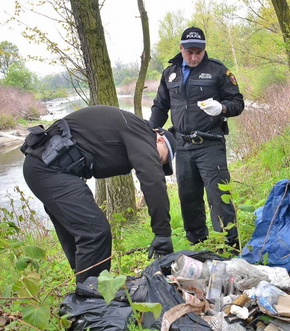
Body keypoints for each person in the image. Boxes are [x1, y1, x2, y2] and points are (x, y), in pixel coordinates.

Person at [21, 105, 176, 284]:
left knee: (79, 231)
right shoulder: (141, 130)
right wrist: (163, 233)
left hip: (45, 168)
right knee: (95, 232)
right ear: (159, 140)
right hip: (47, 170)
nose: (157, 162)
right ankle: (92, 299)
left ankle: (84, 288)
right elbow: (152, 178)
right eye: (162, 159)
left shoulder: (130, 127)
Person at [149, 27, 245, 250]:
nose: (194, 57)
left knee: (219, 197)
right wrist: (150, 131)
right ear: (181, 48)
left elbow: (237, 103)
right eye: (189, 52)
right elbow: (160, 107)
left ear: (204, 50)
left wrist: (222, 108)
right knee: (189, 198)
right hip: (181, 145)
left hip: (210, 143)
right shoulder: (169, 73)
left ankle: (230, 246)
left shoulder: (218, 71)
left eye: (198, 52)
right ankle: (198, 243)